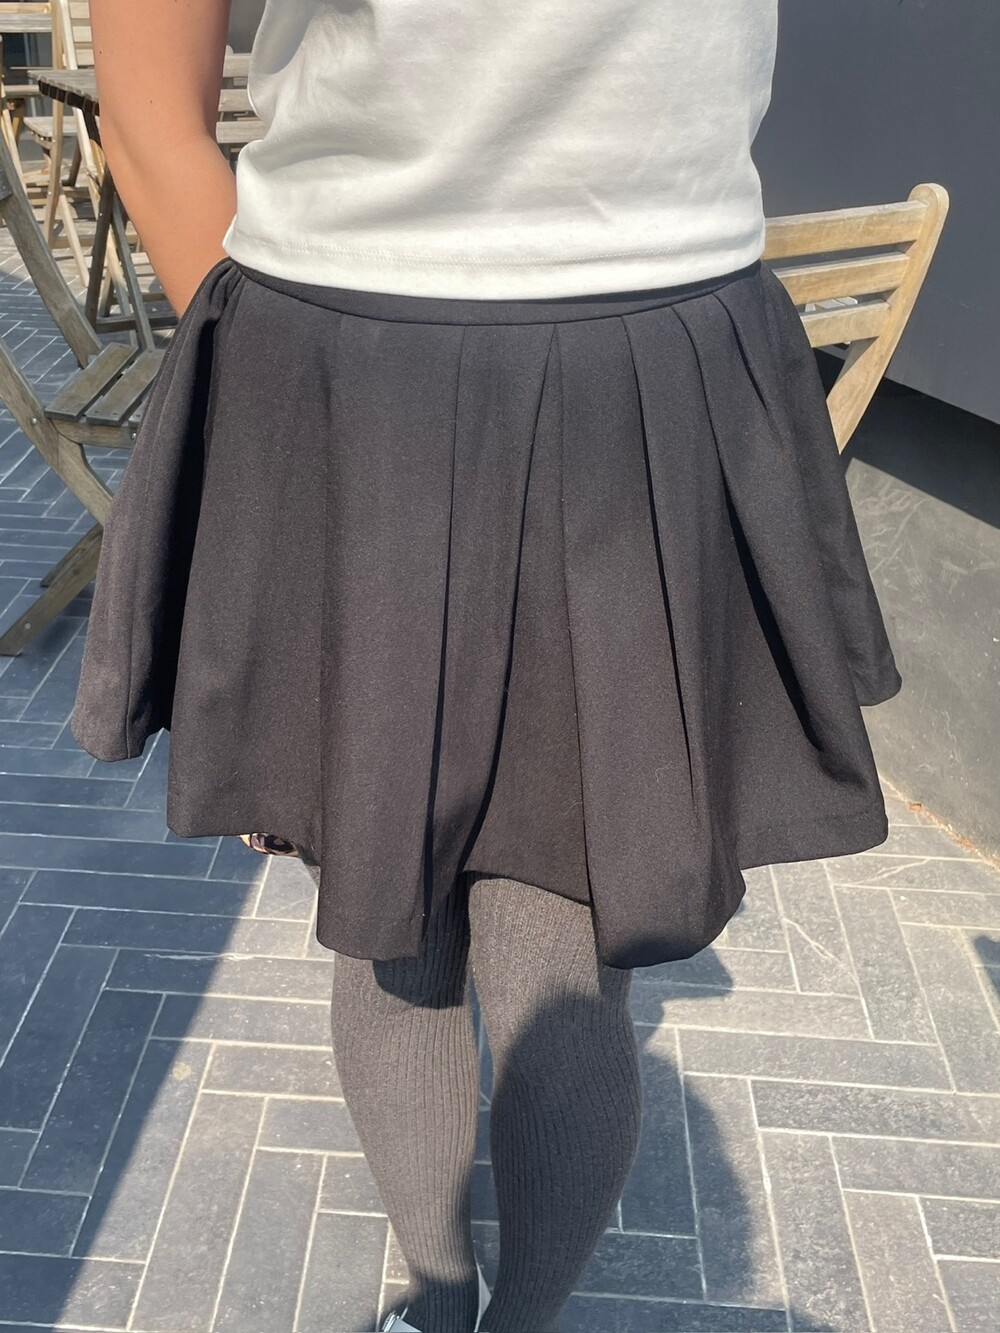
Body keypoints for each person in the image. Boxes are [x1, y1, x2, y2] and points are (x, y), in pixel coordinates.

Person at [71, 3, 902, 1331]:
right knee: (450, 914)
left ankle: (458, 1307)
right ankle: (452, 1299)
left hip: (503, 352)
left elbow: (145, 104)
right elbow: (153, 113)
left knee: (452, 917)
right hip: (436, 357)